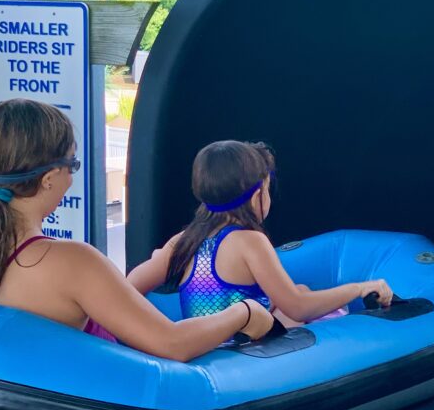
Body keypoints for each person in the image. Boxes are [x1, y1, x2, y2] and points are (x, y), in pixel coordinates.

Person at [0, 100, 273, 361]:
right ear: (49, 179)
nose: (71, 177)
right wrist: (242, 313)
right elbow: (172, 344)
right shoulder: (75, 264)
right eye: (72, 164)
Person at [127, 139, 393, 326]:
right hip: (243, 357)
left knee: (295, 289)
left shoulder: (182, 241)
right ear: (257, 196)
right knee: (310, 305)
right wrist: (358, 288)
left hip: (203, 346)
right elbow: (297, 306)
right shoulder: (250, 242)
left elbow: (128, 288)